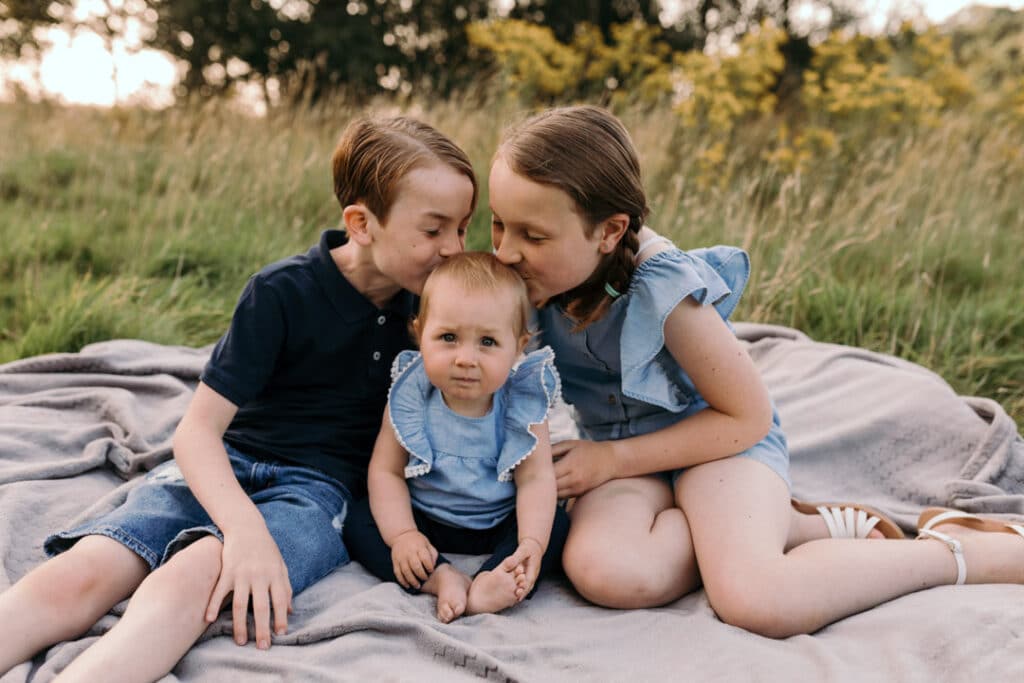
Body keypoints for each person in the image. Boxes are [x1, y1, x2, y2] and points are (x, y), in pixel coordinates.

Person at [487, 104, 1024, 637]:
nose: (506, 252)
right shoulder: (530, 284)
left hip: (715, 445)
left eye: (532, 236)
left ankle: (956, 552)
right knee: (606, 573)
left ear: (608, 231)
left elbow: (746, 418)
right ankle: (786, 528)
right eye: (497, 226)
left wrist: (611, 459)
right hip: (628, 465)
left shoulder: (664, 289)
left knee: (756, 598)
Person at [0, 115, 477, 681]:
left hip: (314, 494)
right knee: (86, 569)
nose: (454, 248)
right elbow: (197, 432)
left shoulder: (440, 316)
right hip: (223, 466)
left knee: (193, 577)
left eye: (464, 229)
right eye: (434, 230)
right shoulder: (281, 293)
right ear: (361, 223)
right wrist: (245, 529)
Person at [344, 252, 569, 623]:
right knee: (359, 518)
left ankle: (490, 580)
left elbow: (536, 479)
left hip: (498, 520)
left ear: (519, 346)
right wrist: (403, 535)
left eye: (487, 342)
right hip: (425, 517)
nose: (466, 358)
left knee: (553, 526)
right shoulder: (410, 395)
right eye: (448, 338)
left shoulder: (523, 403)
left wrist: (531, 541)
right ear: (420, 335)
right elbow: (386, 472)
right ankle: (439, 575)